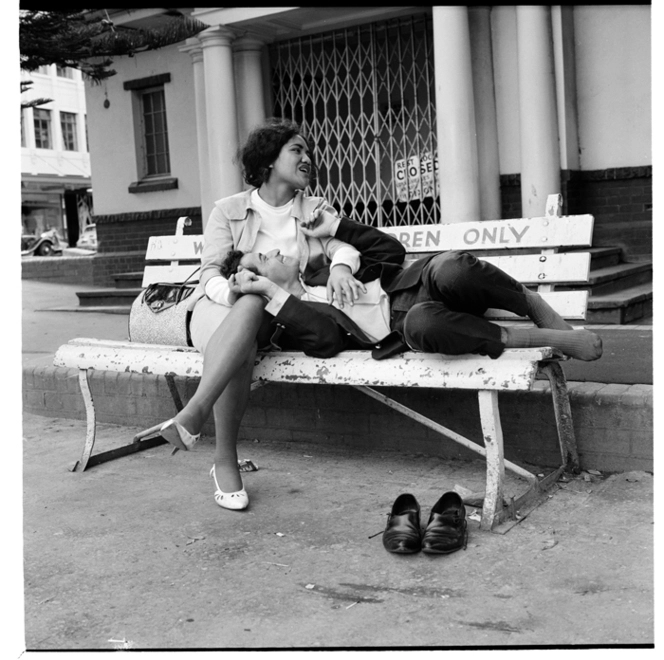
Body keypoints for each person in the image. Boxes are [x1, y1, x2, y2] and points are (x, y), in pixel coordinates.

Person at [139, 118, 366, 511]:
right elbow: (210, 273)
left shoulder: (313, 210)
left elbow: (342, 247)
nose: (307, 158)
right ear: (269, 161)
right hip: (224, 308)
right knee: (247, 313)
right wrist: (235, 290)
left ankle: (195, 415)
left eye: (307, 150)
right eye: (297, 150)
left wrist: (343, 267)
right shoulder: (228, 211)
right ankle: (223, 458)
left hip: (287, 318)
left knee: (257, 304)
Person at [223, 210, 603, 363]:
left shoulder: (323, 270)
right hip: (409, 326)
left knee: (451, 266)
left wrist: (337, 235)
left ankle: (531, 305)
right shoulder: (291, 319)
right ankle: (551, 341)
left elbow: (391, 250)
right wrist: (274, 296)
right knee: (423, 324)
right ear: (258, 284)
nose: (272, 251)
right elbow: (326, 340)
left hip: (418, 284)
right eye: (261, 260)